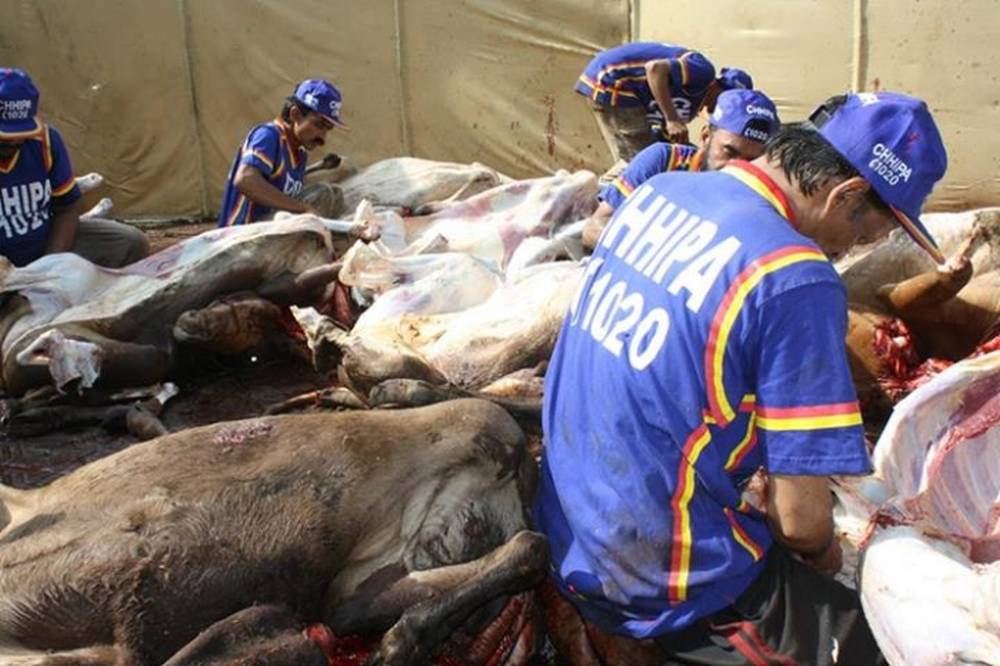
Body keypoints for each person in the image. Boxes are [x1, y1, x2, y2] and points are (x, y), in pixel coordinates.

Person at [534, 91, 948, 664]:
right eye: (865, 235)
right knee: (886, 646)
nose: (852, 250)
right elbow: (800, 524)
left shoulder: (660, 191)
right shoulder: (794, 275)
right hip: (659, 574)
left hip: (566, 524)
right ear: (847, 195)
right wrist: (833, 560)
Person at [582, 88, 781, 250]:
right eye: (729, 151)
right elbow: (594, 227)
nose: (736, 167)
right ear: (706, 137)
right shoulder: (664, 161)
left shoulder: (758, 200)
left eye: (751, 160)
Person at [0, 68, 148, 268]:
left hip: (44, 244)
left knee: (129, 243)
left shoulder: (46, 142)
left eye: (19, 132)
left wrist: (50, 265)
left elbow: (67, 209)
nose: (13, 141)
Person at [575, 42, 753, 167]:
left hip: (620, 89)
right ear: (717, 86)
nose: (726, 108)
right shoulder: (703, 72)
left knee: (641, 156)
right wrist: (672, 119)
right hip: (613, 78)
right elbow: (654, 69)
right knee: (641, 160)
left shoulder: (694, 106)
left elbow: (662, 132)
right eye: (728, 100)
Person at [218, 78, 348, 227]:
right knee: (322, 194)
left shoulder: (300, 153)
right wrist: (302, 208)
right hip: (242, 234)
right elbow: (245, 180)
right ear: (295, 114)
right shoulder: (269, 136)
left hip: (268, 231)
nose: (323, 138)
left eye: (328, 129)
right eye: (319, 125)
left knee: (333, 194)